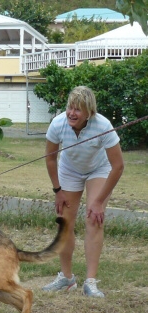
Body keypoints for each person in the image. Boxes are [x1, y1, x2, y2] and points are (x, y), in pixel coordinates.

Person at [42, 86, 124, 297]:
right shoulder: (58, 123)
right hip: (69, 169)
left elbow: (118, 166)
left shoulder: (103, 125)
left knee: (93, 218)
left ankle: (91, 282)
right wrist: (57, 190)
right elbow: (50, 158)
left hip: (99, 169)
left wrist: (98, 201)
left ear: (89, 112)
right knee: (64, 222)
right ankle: (67, 279)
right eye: (70, 107)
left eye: (78, 109)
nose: (72, 113)